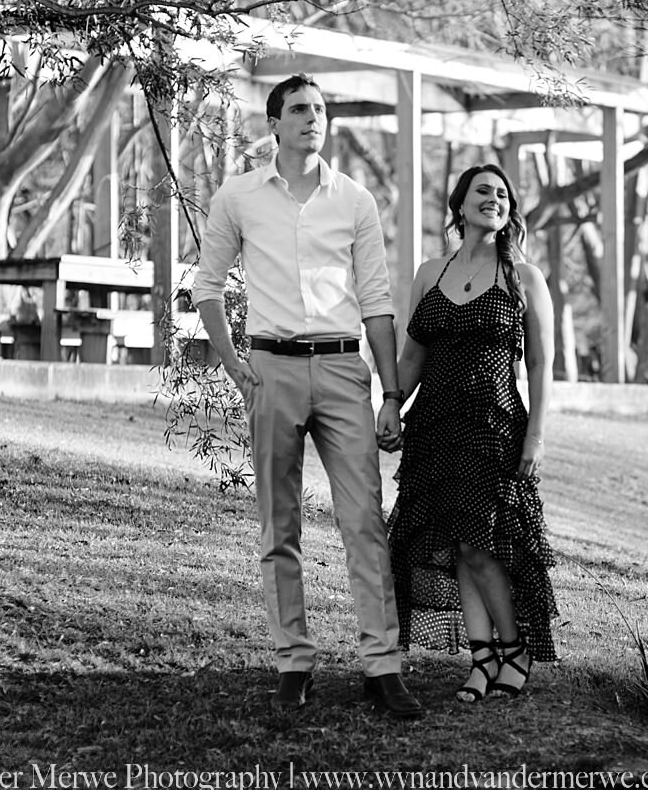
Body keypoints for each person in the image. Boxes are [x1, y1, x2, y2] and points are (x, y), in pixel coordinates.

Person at [191, 74, 423, 719]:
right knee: (279, 525)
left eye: (320, 110)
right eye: (299, 109)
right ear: (275, 123)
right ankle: (294, 659)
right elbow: (206, 287)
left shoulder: (354, 200)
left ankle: (382, 665)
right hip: (272, 369)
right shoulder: (238, 196)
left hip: (346, 370)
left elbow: (376, 302)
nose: (312, 118)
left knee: (364, 523)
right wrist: (237, 368)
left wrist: (390, 394)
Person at [388, 162, 559, 702]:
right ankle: (482, 661)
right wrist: (392, 403)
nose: (494, 199)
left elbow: (541, 367)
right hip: (434, 424)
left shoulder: (523, 278)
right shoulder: (429, 273)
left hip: (493, 426)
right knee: (459, 547)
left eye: (503, 194)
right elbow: (413, 352)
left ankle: (515, 650)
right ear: (459, 206)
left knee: (480, 545)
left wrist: (533, 439)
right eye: (482, 191)